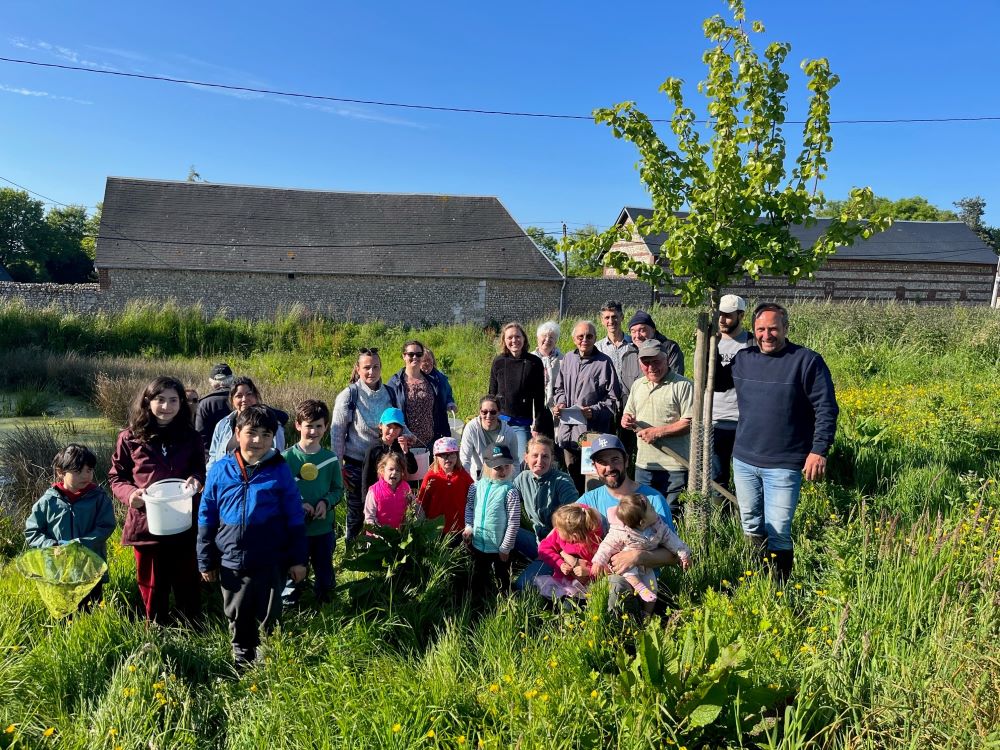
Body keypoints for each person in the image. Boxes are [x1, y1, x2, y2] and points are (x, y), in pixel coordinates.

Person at [715, 302, 839, 582]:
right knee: (751, 524)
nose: (766, 335)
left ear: (785, 328)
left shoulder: (806, 361)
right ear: (753, 330)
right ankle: (755, 579)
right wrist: (709, 339)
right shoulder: (744, 359)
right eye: (761, 329)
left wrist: (819, 450)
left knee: (779, 528)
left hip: (784, 463)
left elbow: (826, 408)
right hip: (745, 458)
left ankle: (779, 587)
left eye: (773, 329)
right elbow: (716, 381)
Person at [197, 406, 307, 669]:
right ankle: (241, 655)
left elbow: (294, 517)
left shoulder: (279, 470)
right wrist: (205, 560)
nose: (257, 440)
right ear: (237, 433)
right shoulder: (220, 470)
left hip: (271, 557)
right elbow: (206, 516)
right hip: (231, 558)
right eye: (251, 433)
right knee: (237, 611)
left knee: (270, 611)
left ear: (273, 438)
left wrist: (298, 559)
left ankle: (267, 656)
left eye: (266, 435)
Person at [109, 376, 205, 623]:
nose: (166, 406)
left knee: (187, 580)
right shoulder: (129, 438)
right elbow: (116, 477)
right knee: (152, 583)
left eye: (173, 400)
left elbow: (199, 469)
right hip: (147, 523)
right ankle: (156, 627)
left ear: (182, 403)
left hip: (184, 520)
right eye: (160, 400)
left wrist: (196, 480)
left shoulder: (190, 437)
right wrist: (131, 494)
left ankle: (192, 627)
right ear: (147, 401)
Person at [577, 434, 683, 612]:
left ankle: (631, 633)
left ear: (626, 461)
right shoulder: (589, 501)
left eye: (615, 459)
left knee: (617, 584)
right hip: (597, 577)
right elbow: (559, 532)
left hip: (644, 580)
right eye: (602, 462)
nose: (609, 467)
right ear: (594, 466)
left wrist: (637, 557)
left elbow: (673, 555)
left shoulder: (650, 499)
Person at [24, 443, 116, 609]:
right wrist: (51, 545)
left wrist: (80, 544)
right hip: (60, 569)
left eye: (89, 470)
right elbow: (33, 531)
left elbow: (106, 526)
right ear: (61, 472)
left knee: (92, 608)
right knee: (65, 611)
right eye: (78, 471)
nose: (85, 476)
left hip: (91, 566)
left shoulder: (99, 497)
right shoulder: (48, 501)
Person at [330, 348, 398, 543]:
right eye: (367, 367)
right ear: (358, 369)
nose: (371, 372)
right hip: (356, 465)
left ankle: (379, 551)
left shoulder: (390, 394)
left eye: (375, 367)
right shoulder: (349, 396)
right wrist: (338, 467)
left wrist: (407, 437)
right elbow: (337, 435)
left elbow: (399, 423)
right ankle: (352, 554)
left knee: (382, 510)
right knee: (356, 513)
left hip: (384, 466)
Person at [621, 339, 695, 519]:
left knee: (671, 514)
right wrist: (627, 420)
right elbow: (627, 414)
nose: (651, 367)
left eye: (656, 361)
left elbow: (689, 422)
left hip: (675, 464)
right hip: (645, 465)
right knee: (644, 514)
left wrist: (657, 432)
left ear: (667, 359)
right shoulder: (638, 385)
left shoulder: (683, 385)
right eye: (646, 362)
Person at [281, 399, 343, 605]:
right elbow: (279, 491)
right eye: (309, 426)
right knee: (293, 568)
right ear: (298, 425)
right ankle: (290, 605)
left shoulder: (331, 459)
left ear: (326, 427)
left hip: (323, 528)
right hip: (294, 529)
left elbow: (337, 490)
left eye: (319, 426)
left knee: (324, 568)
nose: (313, 431)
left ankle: (325, 603)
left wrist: (326, 502)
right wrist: (298, 504)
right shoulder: (285, 458)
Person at [591, 493, 691, 614]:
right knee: (626, 565)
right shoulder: (620, 531)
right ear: (642, 522)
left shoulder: (658, 527)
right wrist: (598, 561)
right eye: (652, 509)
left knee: (652, 589)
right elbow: (607, 545)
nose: (655, 509)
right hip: (625, 566)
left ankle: (647, 615)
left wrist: (684, 554)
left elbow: (672, 540)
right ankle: (638, 586)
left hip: (646, 567)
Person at [553, 321, 621, 493]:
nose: (585, 340)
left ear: (595, 338)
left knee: (593, 484)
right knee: (572, 483)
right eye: (580, 336)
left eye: (589, 336)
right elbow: (559, 388)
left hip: (592, 436)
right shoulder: (568, 359)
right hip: (569, 434)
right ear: (574, 339)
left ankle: (594, 518)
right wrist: (560, 403)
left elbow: (613, 399)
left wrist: (594, 411)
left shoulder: (604, 363)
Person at [512, 435, 579, 589]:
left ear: (552, 459)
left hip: (557, 547)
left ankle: (548, 567)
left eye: (545, 456)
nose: (539, 461)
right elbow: (507, 502)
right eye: (535, 456)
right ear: (526, 457)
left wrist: (550, 542)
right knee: (501, 530)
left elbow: (573, 515)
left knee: (522, 587)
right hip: (537, 540)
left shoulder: (562, 481)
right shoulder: (523, 478)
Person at [463, 444, 521, 601]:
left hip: (499, 547)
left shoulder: (510, 492)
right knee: (479, 574)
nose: (503, 471)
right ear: (486, 466)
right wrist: (469, 527)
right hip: (478, 543)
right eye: (498, 468)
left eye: (506, 467)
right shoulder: (475, 487)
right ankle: (478, 600)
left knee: (502, 577)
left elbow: (513, 523)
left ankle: (506, 602)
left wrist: (505, 547)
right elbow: (469, 508)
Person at [489, 321, 550, 460]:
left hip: (521, 424)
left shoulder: (534, 362)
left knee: (522, 461)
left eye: (517, 336)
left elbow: (540, 397)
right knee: (499, 461)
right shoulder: (498, 361)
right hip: (500, 422)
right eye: (509, 337)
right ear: (504, 341)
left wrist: (537, 427)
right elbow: (491, 393)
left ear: (524, 338)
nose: (514, 340)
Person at [713, 294, 752, 491]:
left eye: (728, 315)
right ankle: (721, 517)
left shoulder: (751, 343)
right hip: (715, 419)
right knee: (717, 477)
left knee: (745, 478)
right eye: (720, 314)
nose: (722, 319)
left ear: (741, 315)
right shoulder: (711, 342)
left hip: (743, 422)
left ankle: (740, 517)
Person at [596, 301, 642, 465]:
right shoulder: (598, 348)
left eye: (614, 317)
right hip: (606, 403)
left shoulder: (634, 345)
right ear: (602, 321)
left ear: (622, 317)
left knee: (627, 447)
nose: (611, 321)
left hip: (629, 402)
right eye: (607, 317)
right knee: (607, 444)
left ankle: (627, 476)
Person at [207, 377, 287, 471]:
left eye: (249, 394)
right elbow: (213, 458)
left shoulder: (272, 423)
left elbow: (278, 457)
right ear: (232, 400)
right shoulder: (222, 424)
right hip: (224, 481)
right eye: (239, 396)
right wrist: (209, 481)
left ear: (256, 397)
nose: (244, 399)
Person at [386, 340, 451, 449]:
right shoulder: (395, 383)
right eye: (411, 354)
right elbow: (389, 416)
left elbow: (441, 410)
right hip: (405, 445)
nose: (415, 357)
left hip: (431, 443)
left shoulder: (433, 381)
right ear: (404, 356)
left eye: (418, 354)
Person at [532, 503, 603, 601]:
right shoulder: (559, 534)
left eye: (559, 529)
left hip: (586, 587)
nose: (555, 530)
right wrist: (560, 563)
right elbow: (544, 548)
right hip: (561, 582)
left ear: (573, 536)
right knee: (547, 600)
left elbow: (603, 567)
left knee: (570, 606)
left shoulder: (594, 544)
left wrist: (588, 571)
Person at [417, 436, 474, 535]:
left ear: (457, 456)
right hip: (435, 527)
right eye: (443, 455)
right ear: (436, 457)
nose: (448, 458)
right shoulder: (431, 476)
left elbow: (473, 497)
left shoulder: (463, 475)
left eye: (452, 454)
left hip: (459, 526)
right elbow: (423, 501)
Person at [361, 408, 418, 500]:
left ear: (401, 429)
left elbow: (413, 470)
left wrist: (406, 452)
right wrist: (366, 501)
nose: (392, 431)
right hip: (379, 496)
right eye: (389, 426)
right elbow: (366, 477)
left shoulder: (400, 447)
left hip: (398, 495)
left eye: (396, 428)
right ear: (380, 425)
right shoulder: (373, 449)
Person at [459, 395, 516, 481]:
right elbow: (464, 460)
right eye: (484, 412)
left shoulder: (509, 432)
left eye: (493, 412)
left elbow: (515, 461)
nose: (488, 416)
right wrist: (467, 484)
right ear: (479, 412)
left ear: (499, 412)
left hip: (502, 480)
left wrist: (514, 483)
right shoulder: (471, 428)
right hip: (477, 479)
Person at [363, 452, 418, 530]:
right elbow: (369, 517)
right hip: (379, 536)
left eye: (398, 470)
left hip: (400, 534)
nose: (394, 473)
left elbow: (413, 505)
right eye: (391, 469)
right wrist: (378, 533)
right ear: (382, 470)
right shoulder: (374, 491)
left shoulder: (406, 487)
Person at [626, 310, 685, 377]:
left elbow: (675, 378)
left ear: (653, 330)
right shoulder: (629, 352)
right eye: (633, 331)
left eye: (642, 330)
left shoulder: (669, 348)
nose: (637, 336)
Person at [195, 363, 234, 458]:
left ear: (211, 382)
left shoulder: (204, 403)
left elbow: (201, 437)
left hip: (214, 459)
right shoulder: (242, 400)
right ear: (232, 379)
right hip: (240, 459)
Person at [533, 320, 562, 410]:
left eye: (551, 337)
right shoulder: (530, 359)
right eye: (544, 336)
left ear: (556, 341)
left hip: (556, 407)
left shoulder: (563, 360)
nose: (547, 339)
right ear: (538, 338)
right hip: (533, 406)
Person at [420, 347, 458, 413]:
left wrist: (450, 403)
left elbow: (448, 394)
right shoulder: (413, 378)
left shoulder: (441, 377)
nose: (427, 363)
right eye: (424, 361)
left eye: (429, 360)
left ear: (433, 360)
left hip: (439, 417)